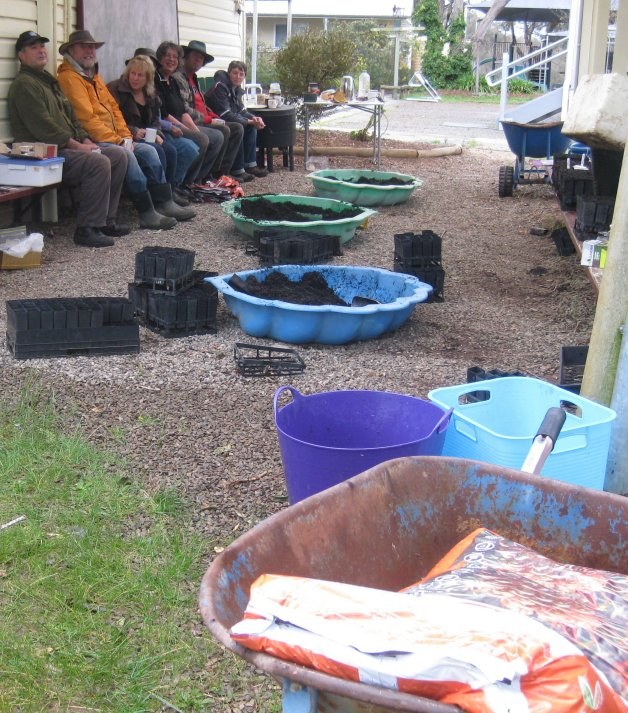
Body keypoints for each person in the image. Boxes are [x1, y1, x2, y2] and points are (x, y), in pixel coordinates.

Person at [56, 30, 194, 228]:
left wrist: (125, 135)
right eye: (84, 47)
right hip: (93, 139)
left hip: (113, 136)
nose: (90, 51)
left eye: (92, 47)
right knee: (127, 155)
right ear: (71, 50)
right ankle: (146, 212)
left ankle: (164, 202)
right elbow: (87, 119)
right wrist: (119, 140)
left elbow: (114, 110)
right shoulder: (70, 78)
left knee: (149, 151)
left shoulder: (93, 77)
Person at [7, 31, 128, 248]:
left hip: (65, 149)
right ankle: (87, 229)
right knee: (98, 162)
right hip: (43, 154)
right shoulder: (25, 85)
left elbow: (71, 118)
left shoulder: (47, 82)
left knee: (118, 155)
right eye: (33, 47)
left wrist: (85, 139)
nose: (41, 50)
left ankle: (106, 220)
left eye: (42, 46)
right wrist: (78, 146)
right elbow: (45, 128)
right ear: (21, 56)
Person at [108, 52, 199, 207]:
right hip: (128, 135)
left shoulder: (150, 93)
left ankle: (168, 193)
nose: (135, 78)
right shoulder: (116, 90)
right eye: (133, 74)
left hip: (147, 134)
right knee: (159, 151)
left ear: (148, 78)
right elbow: (113, 120)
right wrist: (134, 131)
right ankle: (158, 200)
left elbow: (156, 119)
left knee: (170, 150)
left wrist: (156, 132)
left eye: (140, 75)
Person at [155, 41, 223, 186]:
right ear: (160, 58)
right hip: (165, 126)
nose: (171, 60)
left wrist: (194, 129)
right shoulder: (158, 80)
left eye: (175, 57)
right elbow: (164, 113)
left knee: (212, 135)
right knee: (202, 140)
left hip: (181, 121)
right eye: (168, 56)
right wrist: (187, 128)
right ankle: (185, 182)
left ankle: (198, 179)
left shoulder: (172, 81)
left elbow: (183, 110)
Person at [175, 40, 245, 181]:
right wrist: (209, 119)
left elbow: (203, 105)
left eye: (201, 58)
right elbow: (185, 110)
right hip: (191, 122)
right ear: (186, 57)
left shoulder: (193, 78)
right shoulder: (180, 78)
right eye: (195, 56)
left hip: (204, 119)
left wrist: (214, 116)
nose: (198, 60)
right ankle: (202, 177)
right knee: (221, 133)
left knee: (236, 128)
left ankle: (221, 173)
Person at [205, 60, 268, 183]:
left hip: (225, 121)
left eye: (241, 74)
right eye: (234, 73)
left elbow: (242, 111)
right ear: (229, 73)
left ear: (244, 77)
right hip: (213, 121)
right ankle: (237, 169)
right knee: (239, 126)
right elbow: (225, 115)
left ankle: (250, 165)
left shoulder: (236, 89)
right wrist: (249, 121)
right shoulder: (221, 87)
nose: (237, 77)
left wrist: (254, 118)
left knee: (250, 125)